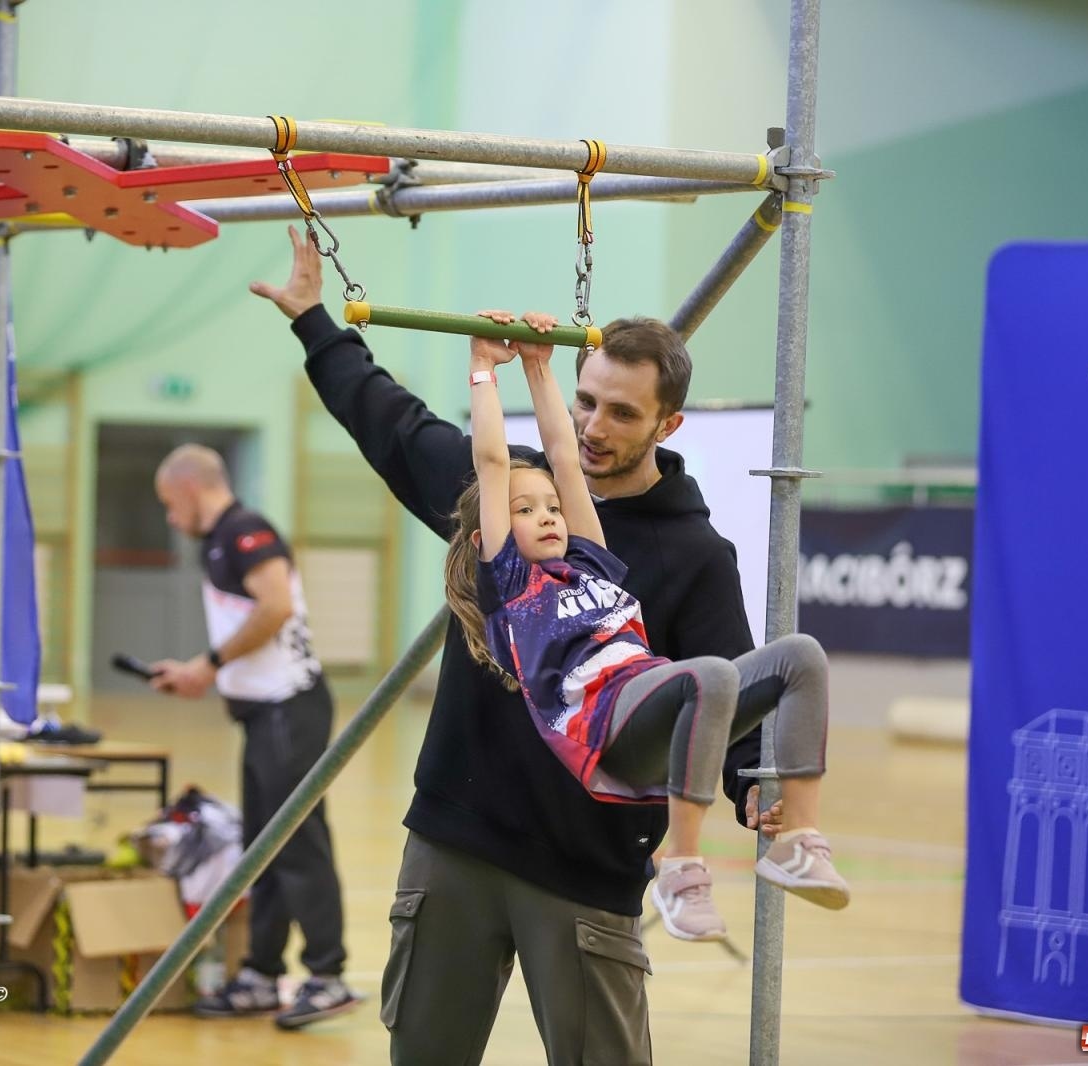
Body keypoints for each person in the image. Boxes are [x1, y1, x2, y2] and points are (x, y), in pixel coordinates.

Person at [250, 228, 786, 1065]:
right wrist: (316, 322)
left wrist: (755, 782)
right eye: (585, 401)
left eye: (622, 412)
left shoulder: (692, 555)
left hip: (585, 868)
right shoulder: (508, 494)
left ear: (669, 423)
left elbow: (730, 693)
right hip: (454, 841)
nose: (595, 425)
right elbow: (395, 426)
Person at [451, 308, 849, 942]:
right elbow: (495, 461)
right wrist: (481, 369)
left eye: (553, 503)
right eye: (526, 511)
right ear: (493, 534)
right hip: (595, 728)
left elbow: (563, 451)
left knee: (799, 656)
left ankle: (798, 839)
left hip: (646, 695)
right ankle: (680, 870)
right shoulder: (511, 584)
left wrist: (537, 366)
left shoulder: (588, 557)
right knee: (710, 678)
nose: (549, 514)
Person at [148, 444, 362, 1031]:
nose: (171, 518)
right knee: (263, 846)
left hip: (289, 708)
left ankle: (327, 975)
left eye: (171, 504)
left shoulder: (246, 531)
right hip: (262, 713)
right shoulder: (217, 542)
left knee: (298, 841)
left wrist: (208, 665)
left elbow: (274, 609)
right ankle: (261, 975)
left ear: (191, 488)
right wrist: (202, 672)